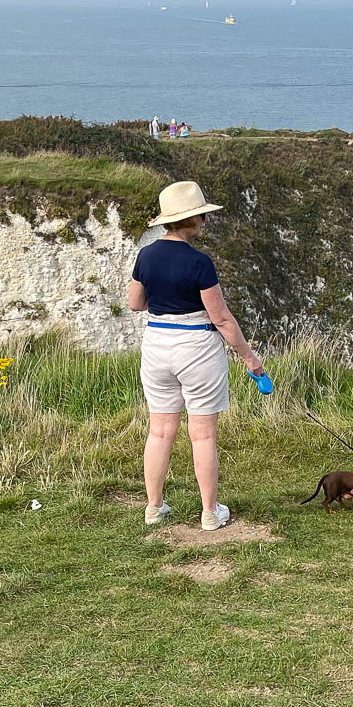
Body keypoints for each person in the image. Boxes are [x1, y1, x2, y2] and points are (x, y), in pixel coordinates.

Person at [127, 181, 266, 529]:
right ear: (187, 220)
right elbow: (220, 317)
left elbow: (135, 303)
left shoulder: (146, 255)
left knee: (159, 431)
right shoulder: (199, 262)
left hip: (157, 344)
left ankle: (154, 508)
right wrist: (250, 358)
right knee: (202, 435)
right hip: (197, 347)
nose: (205, 220)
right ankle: (209, 513)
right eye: (201, 215)